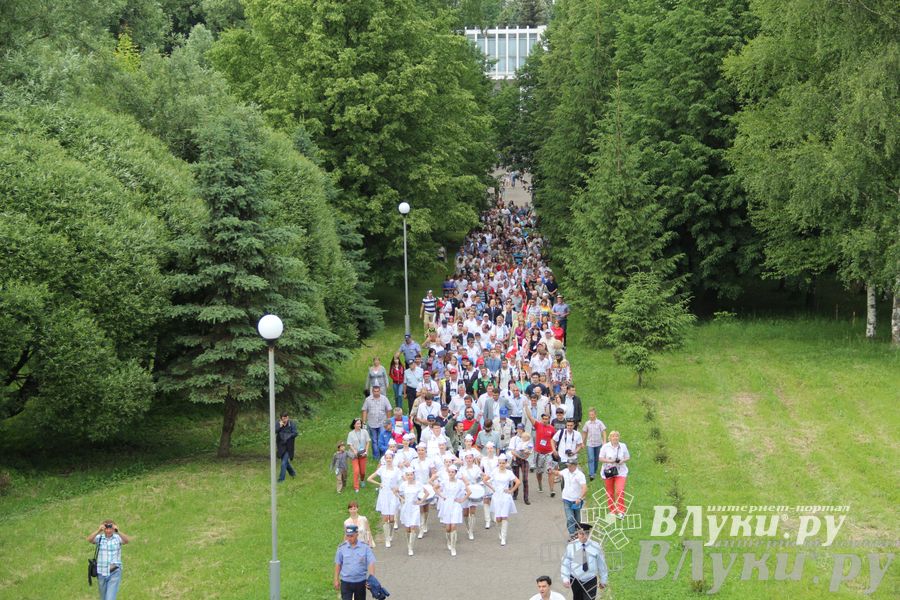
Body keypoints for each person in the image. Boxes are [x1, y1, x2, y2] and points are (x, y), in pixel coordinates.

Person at [560, 524, 608, 600]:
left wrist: (603, 580)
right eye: (580, 533)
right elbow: (565, 563)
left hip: (590, 580)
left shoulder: (595, 546)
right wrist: (565, 578)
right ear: (577, 534)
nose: (583, 536)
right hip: (576, 580)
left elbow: (601, 564)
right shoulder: (571, 546)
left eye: (585, 533)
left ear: (588, 533)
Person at [87, 520, 130, 600]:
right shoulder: (99, 538)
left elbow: (127, 540)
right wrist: (98, 530)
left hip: (114, 572)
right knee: (103, 598)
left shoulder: (117, 538)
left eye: (110, 528)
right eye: (106, 528)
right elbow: (89, 539)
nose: (108, 530)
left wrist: (118, 531)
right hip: (101, 572)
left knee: (110, 598)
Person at [485, 453, 520, 546]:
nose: (501, 464)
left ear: (506, 463)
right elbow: (485, 480)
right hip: (496, 496)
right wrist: (493, 488)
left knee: (504, 516)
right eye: (500, 463)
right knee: (498, 518)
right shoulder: (494, 471)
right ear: (498, 463)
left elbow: (518, 482)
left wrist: (511, 490)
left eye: (503, 463)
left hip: (505, 496)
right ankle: (500, 531)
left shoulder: (509, 473)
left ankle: (503, 538)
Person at [435, 464, 470, 556]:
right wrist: (442, 496)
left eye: (453, 472)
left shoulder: (460, 483)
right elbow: (435, 488)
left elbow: (469, 492)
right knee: (448, 527)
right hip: (446, 505)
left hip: (456, 505)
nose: (451, 473)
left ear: (455, 473)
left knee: (453, 526)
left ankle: (453, 547)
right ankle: (449, 541)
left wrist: (462, 499)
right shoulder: (444, 482)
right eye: (449, 472)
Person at [334, 524, 376, 600]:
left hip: (360, 582)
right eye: (347, 536)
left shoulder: (365, 547)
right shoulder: (341, 548)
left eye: (351, 536)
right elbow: (338, 564)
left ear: (357, 535)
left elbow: (371, 563)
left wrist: (371, 578)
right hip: (346, 582)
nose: (349, 538)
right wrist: (336, 579)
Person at [367, 452, 401, 547]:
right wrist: (379, 484)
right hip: (384, 494)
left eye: (390, 458)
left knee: (392, 517)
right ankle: (387, 539)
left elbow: (402, 481)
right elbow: (369, 478)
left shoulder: (397, 470)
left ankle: (391, 534)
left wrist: (397, 488)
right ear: (385, 459)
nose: (389, 459)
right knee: (386, 517)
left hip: (393, 494)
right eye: (387, 458)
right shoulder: (382, 469)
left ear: (392, 459)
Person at [599, 431, 630, 518]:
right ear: (610, 438)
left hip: (621, 471)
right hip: (609, 471)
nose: (615, 438)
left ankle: (621, 511)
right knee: (610, 492)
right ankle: (612, 511)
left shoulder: (623, 446)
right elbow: (600, 458)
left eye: (617, 436)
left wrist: (622, 461)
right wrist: (610, 461)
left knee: (620, 490)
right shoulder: (605, 447)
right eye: (613, 436)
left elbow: (628, 457)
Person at [397, 468, 426, 555]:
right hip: (406, 508)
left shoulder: (418, 484)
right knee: (407, 528)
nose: (410, 476)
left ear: (414, 475)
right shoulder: (403, 485)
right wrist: (402, 499)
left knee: (413, 527)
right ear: (406, 476)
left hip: (414, 508)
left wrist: (420, 501)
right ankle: (408, 543)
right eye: (408, 475)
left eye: (411, 475)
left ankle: (410, 547)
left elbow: (427, 492)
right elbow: (396, 491)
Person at [361, 386, 393, 463]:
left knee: (382, 439)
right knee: (374, 440)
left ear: (380, 391)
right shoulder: (368, 400)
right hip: (372, 423)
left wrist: (388, 421)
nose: (376, 393)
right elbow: (364, 410)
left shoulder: (384, 399)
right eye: (374, 391)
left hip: (382, 423)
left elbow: (389, 409)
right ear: (372, 391)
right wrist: (364, 422)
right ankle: (376, 456)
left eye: (377, 391)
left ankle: (383, 455)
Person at [559, 459, 588, 535]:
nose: (569, 467)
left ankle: (578, 532)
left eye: (570, 466)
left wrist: (580, 498)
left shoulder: (580, 475)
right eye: (568, 466)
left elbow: (584, 488)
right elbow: (558, 473)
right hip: (566, 499)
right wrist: (552, 471)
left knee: (577, 519)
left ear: (575, 466)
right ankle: (572, 534)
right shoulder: (565, 471)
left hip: (576, 501)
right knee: (570, 518)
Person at [509, 424, 533, 504]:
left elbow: (530, 449)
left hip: (524, 460)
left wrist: (526, 456)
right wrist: (517, 455)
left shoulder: (528, 438)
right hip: (516, 458)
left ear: (523, 430)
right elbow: (512, 450)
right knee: (515, 478)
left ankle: (526, 498)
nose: (519, 430)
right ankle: (515, 494)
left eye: (521, 429)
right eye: (518, 429)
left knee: (525, 479)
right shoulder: (514, 439)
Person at [582, 408, 607, 481]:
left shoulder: (599, 423)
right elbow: (584, 432)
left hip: (598, 443)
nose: (591, 416)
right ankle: (591, 474)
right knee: (591, 458)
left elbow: (604, 431)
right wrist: (582, 442)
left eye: (592, 415)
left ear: (595, 414)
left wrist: (604, 441)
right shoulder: (587, 423)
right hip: (590, 444)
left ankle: (594, 471)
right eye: (590, 415)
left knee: (596, 458)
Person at [347, 418, 371, 493]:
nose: (359, 425)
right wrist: (354, 451)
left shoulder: (365, 432)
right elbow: (349, 444)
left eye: (360, 423)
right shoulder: (351, 433)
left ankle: (362, 480)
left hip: (363, 454)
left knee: (362, 471)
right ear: (354, 425)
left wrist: (366, 451)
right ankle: (356, 487)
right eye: (357, 424)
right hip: (355, 455)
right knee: (356, 471)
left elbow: (367, 442)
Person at [276, 411, 297, 482]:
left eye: (285, 418)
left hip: (289, 446)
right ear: (281, 419)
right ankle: (293, 473)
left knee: (283, 463)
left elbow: (295, 433)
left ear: (288, 417)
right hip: (281, 446)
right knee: (285, 462)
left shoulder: (292, 424)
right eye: (283, 419)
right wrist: (280, 426)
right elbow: (274, 431)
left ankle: (281, 480)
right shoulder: (278, 423)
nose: (284, 420)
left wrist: (288, 436)